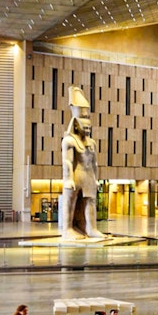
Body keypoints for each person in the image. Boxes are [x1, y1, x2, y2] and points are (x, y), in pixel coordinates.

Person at [59, 86, 105, 240]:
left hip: (89, 176)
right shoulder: (69, 140)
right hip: (76, 175)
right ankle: (67, 229)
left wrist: (96, 179)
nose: (87, 129)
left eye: (89, 126)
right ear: (76, 124)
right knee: (70, 202)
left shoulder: (92, 142)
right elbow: (67, 162)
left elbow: (95, 164)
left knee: (90, 202)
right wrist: (69, 179)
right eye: (84, 126)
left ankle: (91, 228)